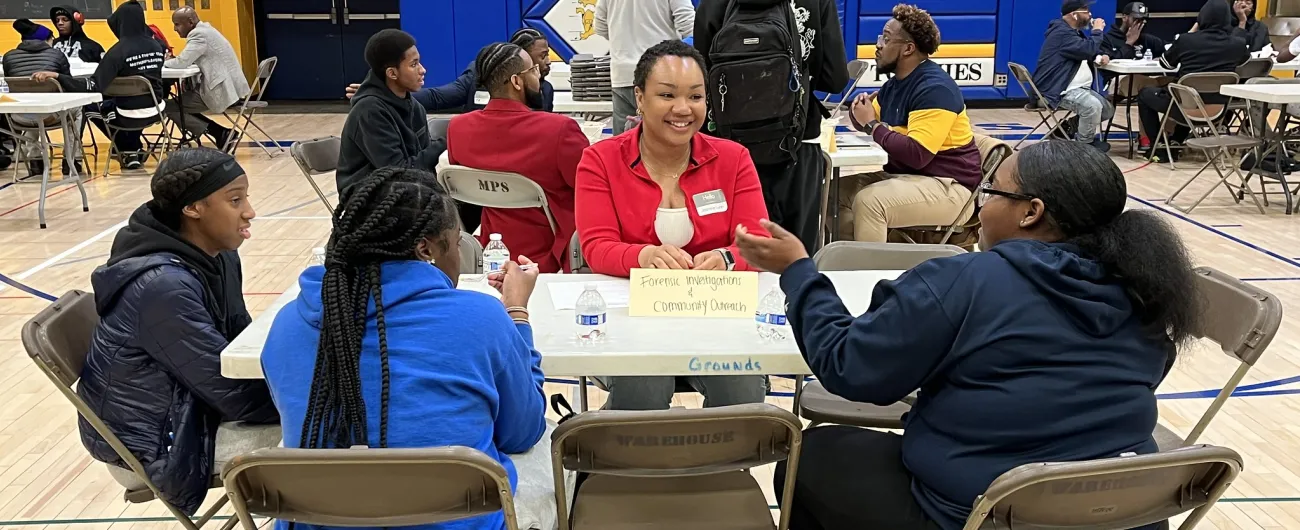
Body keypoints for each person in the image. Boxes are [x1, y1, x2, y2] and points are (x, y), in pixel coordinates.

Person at [736, 140, 1196, 530]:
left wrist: (798, 272)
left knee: (812, 455)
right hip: (1123, 511)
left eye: (991, 190)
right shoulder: (1143, 285)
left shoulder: (966, 280)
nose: (982, 201)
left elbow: (849, 367)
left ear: (1031, 213)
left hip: (984, 513)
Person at [261, 167, 558, 530]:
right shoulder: (480, 318)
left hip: (322, 520)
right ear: (426, 249)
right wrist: (517, 313)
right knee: (545, 449)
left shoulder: (288, 325)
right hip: (454, 520)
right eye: (457, 242)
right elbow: (522, 431)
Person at [79, 147, 280, 518]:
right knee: (327, 437)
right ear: (192, 208)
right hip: (158, 442)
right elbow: (233, 393)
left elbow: (239, 349)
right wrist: (319, 397)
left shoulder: (220, 256)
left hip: (194, 409)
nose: (249, 211)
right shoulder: (162, 286)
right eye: (235, 199)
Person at [575, 40, 770, 410]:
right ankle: (633, 466)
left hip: (719, 313)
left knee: (742, 381)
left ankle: (730, 465)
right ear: (639, 98)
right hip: (633, 315)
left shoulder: (734, 159)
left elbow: (757, 238)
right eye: (667, 95)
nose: (683, 109)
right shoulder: (599, 160)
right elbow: (597, 246)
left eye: (695, 97)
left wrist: (728, 259)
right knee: (645, 380)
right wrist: (643, 255)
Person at [695, 0, 848, 254]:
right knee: (795, 257)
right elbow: (835, 78)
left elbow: (701, 71)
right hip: (796, 144)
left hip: (729, 148)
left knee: (734, 253)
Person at [839, 5, 981, 244]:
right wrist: (859, 112)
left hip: (950, 188)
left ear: (908, 49)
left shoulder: (935, 89)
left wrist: (872, 125)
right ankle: (844, 264)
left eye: (886, 38)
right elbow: (866, 118)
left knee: (871, 202)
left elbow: (917, 154)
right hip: (909, 176)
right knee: (836, 192)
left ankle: (870, 274)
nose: (878, 45)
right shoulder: (895, 84)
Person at [447, 42, 586, 273]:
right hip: (555, 255)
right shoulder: (559, 130)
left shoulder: (458, 128)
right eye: (533, 70)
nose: (539, 75)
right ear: (516, 81)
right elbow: (589, 188)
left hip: (490, 253)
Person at [38, 0, 166, 170]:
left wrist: (59, 77)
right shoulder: (157, 46)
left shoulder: (117, 52)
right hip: (157, 109)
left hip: (127, 114)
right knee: (126, 100)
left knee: (88, 106)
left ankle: (125, 149)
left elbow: (93, 85)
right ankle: (132, 150)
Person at [335, 29, 444, 200]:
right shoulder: (370, 111)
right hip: (369, 199)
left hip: (407, 190)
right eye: (414, 64)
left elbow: (422, 167)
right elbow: (398, 172)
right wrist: (448, 142)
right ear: (392, 73)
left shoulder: (415, 108)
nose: (422, 70)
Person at [344, 29, 556, 113]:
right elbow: (437, 97)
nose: (547, 62)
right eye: (541, 57)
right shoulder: (477, 74)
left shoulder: (544, 90)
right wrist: (385, 91)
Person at [1138, 0, 1248, 160]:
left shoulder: (1186, 40)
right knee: (1195, 93)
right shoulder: (1237, 44)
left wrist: (1192, 32)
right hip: (1220, 110)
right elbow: (1244, 62)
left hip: (1183, 108)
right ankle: (1176, 140)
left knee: (1146, 94)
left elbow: (1165, 63)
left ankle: (1159, 146)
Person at [596, 0, 694, 134]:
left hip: (622, 74)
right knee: (664, 141)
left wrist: (624, 40)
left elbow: (600, 26)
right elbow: (690, 26)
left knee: (623, 146)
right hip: (661, 74)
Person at [4, 19, 84, 177]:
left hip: (20, 117)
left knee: (29, 104)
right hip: (51, 115)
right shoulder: (57, 55)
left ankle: (35, 159)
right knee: (77, 108)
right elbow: (67, 86)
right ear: (46, 40)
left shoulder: (9, 57)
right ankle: (71, 158)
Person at [1033, 0, 1114, 152]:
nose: (1090, 14)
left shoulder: (1072, 32)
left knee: (1107, 109)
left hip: (1073, 87)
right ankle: (1084, 146)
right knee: (1092, 106)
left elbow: (1084, 50)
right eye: (1086, 10)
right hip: (1056, 90)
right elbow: (1088, 48)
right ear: (1074, 15)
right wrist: (1097, 31)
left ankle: (1065, 128)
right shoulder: (1061, 33)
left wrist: (1100, 55)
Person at [163, 6, 249, 150]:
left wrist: (163, 61)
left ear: (190, 22)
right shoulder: (207, 30)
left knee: (166, 107)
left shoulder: (198, 35)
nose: (174, 29)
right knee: (182, 103)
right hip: (233, 88)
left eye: (177, 24)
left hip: (221, 92)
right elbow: (188, 59)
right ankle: (220, 132)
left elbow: (182, 62)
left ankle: (220, 132)